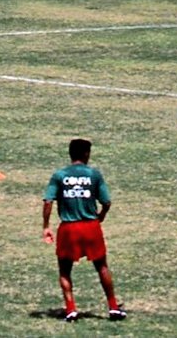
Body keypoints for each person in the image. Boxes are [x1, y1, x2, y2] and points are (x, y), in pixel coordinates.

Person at [43, 138, 127, 322]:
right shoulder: (94, 174)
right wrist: (102, 214)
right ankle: (113, 307)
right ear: (86, 154)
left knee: (65, 270)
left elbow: (48, 201)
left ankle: (71, 309)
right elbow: (107, 201)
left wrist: (46, 226)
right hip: (90, 226)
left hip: (68, 228)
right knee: (102, 266)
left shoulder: (59, 175)